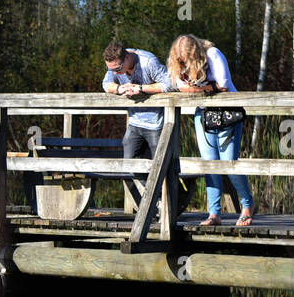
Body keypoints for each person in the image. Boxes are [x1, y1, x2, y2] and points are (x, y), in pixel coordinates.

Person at [165, 35, 257, 227]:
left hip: (228, 113)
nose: (184, 63)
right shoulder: (179, 65)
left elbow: (223, 84)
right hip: (204, 115)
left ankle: (247, 205)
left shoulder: (212, 54)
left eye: (187, 59)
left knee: (229, 164)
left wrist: (196, 89)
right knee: (209, 165)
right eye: (181, 60)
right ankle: (214, 213)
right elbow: (178, 85)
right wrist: (203, 88)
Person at [102, 40, 187, 218]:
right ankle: (152, 205)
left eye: (118, 69)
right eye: (113, 70)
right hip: (134, 122)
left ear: (126, 58)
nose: (116, 72)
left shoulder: (148, 61)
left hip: (157, 123)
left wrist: (141, 88)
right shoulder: (114, 66)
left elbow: (170, 84)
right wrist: (119, 88)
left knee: (163, 167)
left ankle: (171, 208)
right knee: (129, 165)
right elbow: (106, 83)